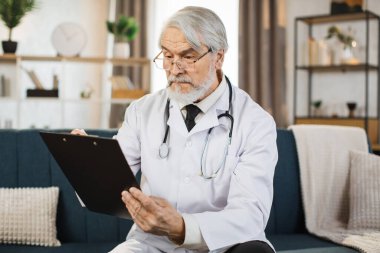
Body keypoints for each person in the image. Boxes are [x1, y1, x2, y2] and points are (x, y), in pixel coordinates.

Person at [73, 6, 277, 253]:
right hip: (152, 244)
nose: (174, 68)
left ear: (219, 57)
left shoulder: (255, 122)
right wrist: (86, 165)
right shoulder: (142, 111)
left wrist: (182, 227)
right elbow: (110, 182)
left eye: (188, 56)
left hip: (222, 245)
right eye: (168, 56)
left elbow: (250, 215)